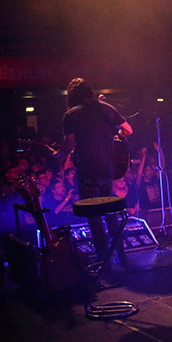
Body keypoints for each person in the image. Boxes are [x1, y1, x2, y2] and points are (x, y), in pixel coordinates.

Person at [62, 78, 133, 268]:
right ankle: (121, 253)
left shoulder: (71, 115)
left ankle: (104, 259)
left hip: (87, 170)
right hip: (108, 168)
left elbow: (69, 145)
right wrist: (116, 137)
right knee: (110, 211)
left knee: (94, 215)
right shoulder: (106, 108)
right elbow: (128, 129)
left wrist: (59, 152)